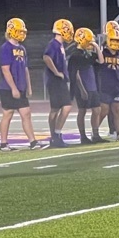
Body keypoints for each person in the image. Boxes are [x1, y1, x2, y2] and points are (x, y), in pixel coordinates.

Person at [0, 18, 40, 152]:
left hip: (20, 86)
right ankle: (3, 144)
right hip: (7, 87)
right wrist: (13, 88)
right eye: (19, 31)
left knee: (26, 113)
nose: (21, 34)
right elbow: (5, 69)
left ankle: (33, 142)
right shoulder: (5, 48)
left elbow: (25, 68)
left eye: (22, 31)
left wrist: (28, 86)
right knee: (8, 113)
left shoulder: (22, 48)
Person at [69, 27, 107, 144]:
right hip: (83, 87)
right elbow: (76, 74)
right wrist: (82, 89)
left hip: (92, 86)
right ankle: (83, 136)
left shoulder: (88, 54)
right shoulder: (75, 55)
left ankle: (95, 134)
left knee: (97, 110)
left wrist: (96, 47)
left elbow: (101, 61)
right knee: (82, 111)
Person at [44, 18, 74, 148]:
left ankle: (56, 135)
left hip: (59, 80)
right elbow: (46, 57)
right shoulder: (54, 44)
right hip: (55, 80)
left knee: (63, 107)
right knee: (59, 108)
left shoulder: (60, 45)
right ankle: (55, 135)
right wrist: (56, 72)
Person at [98, 21, 119, 141]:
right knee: (104, 110)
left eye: (118, 41)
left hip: (116, 87)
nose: (116, 43)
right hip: (105, 87)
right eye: (113, 40)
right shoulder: (102, 53)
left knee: (118, 110)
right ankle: (95, 131)